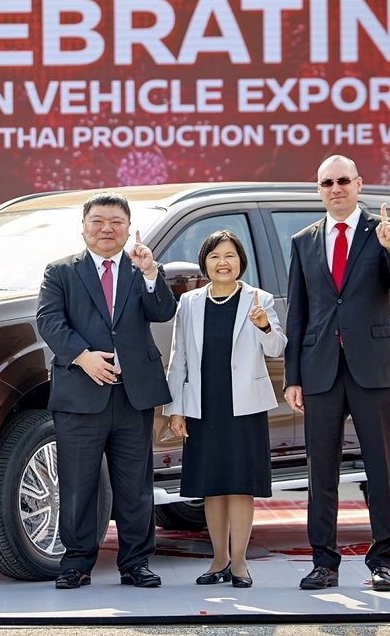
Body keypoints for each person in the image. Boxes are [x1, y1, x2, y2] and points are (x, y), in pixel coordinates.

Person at [284, 155, 390, 592]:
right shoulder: (303, 241)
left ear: (359, 184)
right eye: (327, 183)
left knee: (381, 470)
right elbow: (298, 313)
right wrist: (293, 377)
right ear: (318, 189)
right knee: (321, 474)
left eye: (343, 180)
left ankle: (383, 562)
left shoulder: (384, 232)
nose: (336, 188)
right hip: (320, 369)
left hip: (373, 369)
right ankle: (323, 563)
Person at [36, 192, 177, 590]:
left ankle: (136, 564)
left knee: (135, 487)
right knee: (78, 485)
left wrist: (151, 273)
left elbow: (163, 311)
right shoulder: (60, 271)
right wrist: (83, 357)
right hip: (81, 396)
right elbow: (49, 321)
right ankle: (76, 563)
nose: (106, 229)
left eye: (116, 222)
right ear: (83, 227)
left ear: (129, 229)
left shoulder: (141, 269)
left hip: (133, 396)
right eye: (97, 221)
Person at [164, 230, 286, 587]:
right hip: (203, 405)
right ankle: (218, 560)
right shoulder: (189, 303)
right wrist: (175, 408)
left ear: (240, 262)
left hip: (244, 406)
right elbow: (178, 358)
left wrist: (264, 326)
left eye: (230, 255)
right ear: (204, 262)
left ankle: (240, 563)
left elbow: (277, 347)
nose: (222, 262)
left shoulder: (259, 299)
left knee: (240, 485)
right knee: (212, 485)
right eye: (215, 256)